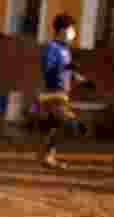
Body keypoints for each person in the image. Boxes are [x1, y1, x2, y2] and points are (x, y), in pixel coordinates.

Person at [37, 13, 87, 170]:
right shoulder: (52, 48)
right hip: (53, 93)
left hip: (63, 93)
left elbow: (69, 71)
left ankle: (48, 158)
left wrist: (82, 80)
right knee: (70, 124)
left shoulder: (66, 50)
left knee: (55, 128)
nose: (73, 33)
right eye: (71, 29)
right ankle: (46, 155)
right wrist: (66, 67)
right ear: (62, 30)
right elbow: (47, 68)